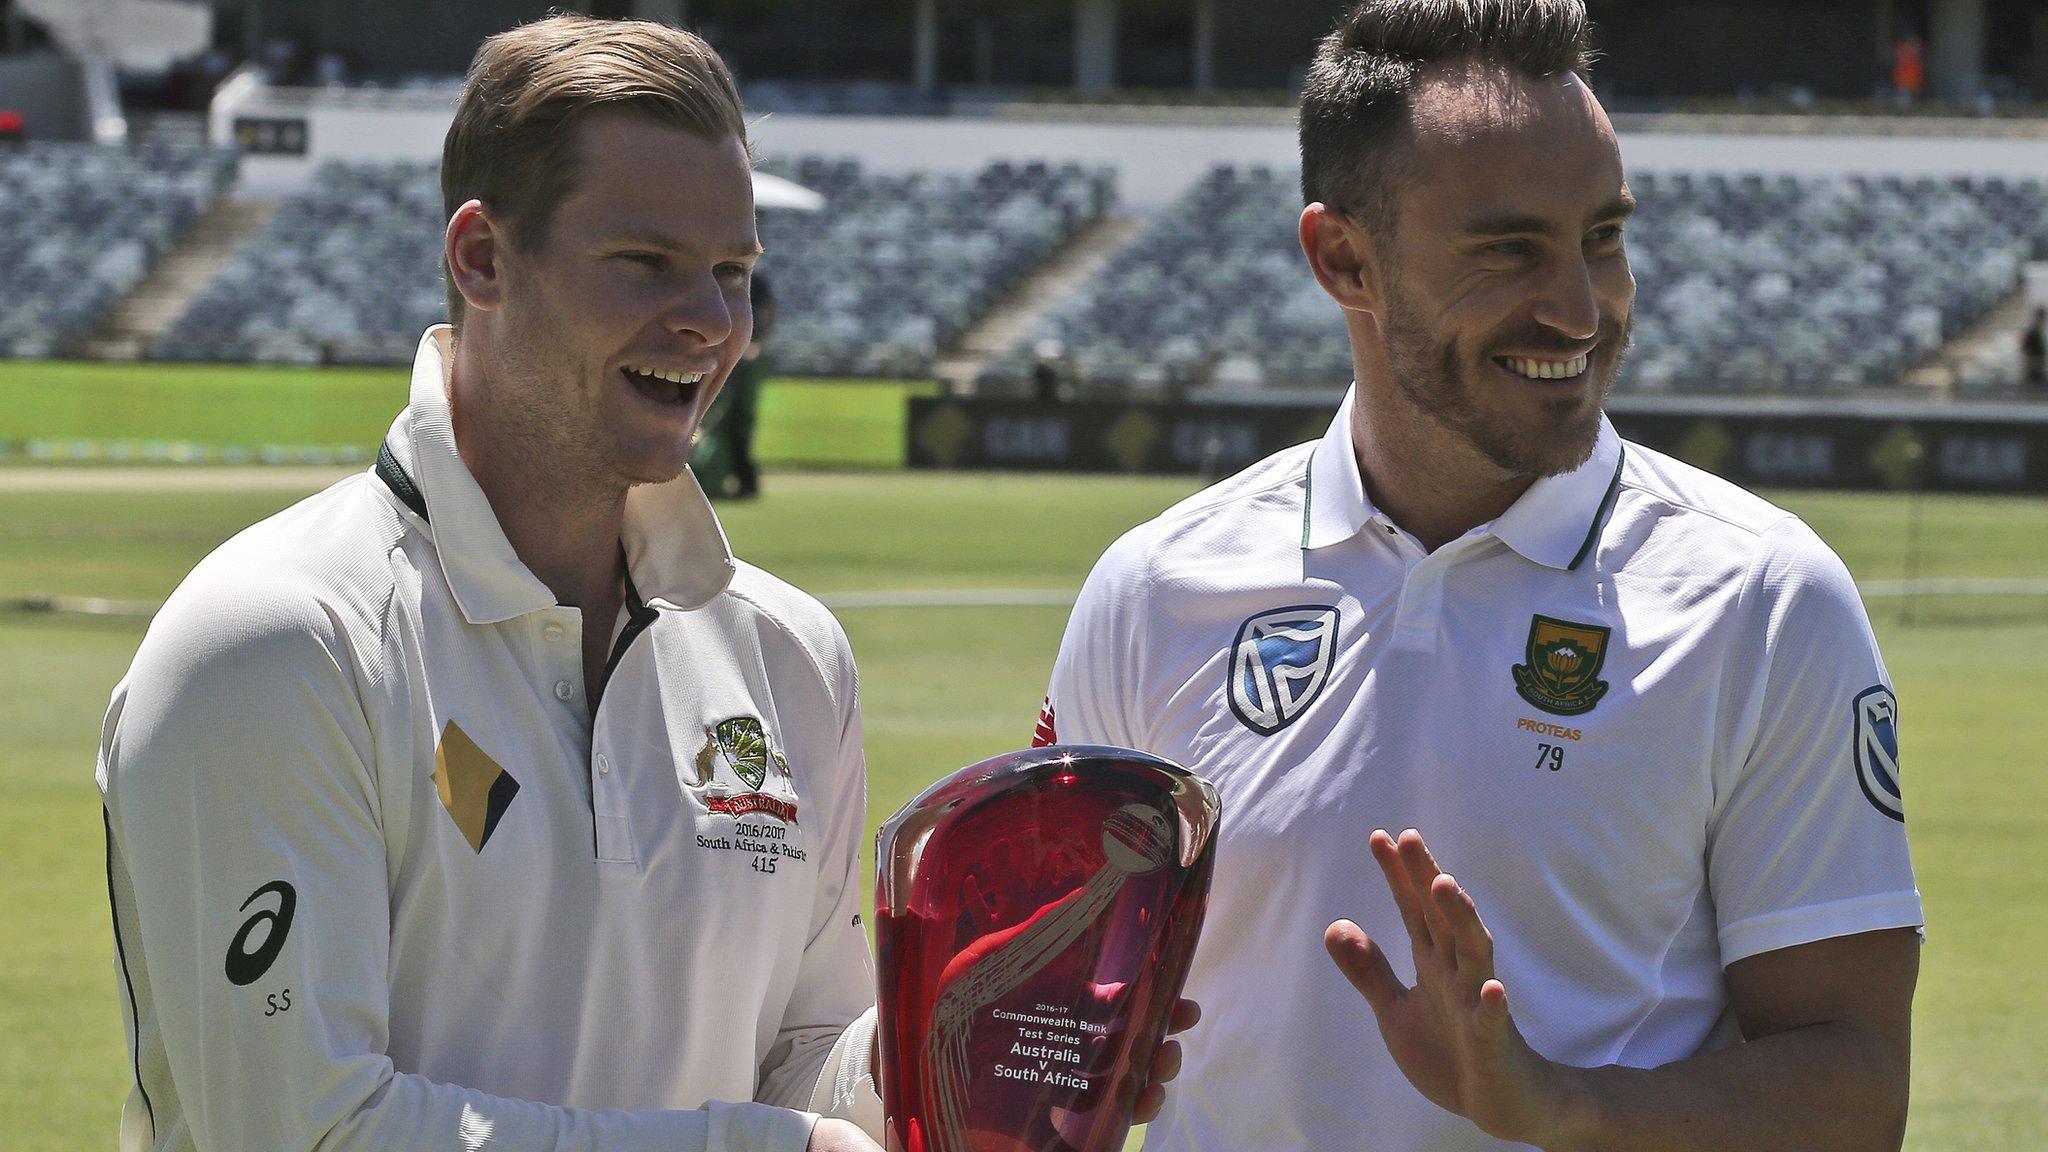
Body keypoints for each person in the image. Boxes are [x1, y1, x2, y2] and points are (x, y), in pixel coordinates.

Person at [1036, 3, 1922, 1150]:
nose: (1577, 306)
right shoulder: (1154, 587)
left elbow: (1853, 1093)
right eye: (1508, 249)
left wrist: (1559, 1106)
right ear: (1342, 258)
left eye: (1601, 236)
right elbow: (1054, 1024)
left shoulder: (1761, 597)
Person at [98, 18, 891, 1152]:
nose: (711, 324)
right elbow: (298, 1133)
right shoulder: (277, 643)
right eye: (645, 263)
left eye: (732, 274)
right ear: (480, 259)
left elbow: (804, 1069)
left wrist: (969, 1035)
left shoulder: (787, 653)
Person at [2022, 305, 2045, 391]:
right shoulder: (2033, 331)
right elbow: (2025, 346)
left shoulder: (2036, 330)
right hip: (2034, 365)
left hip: (2036, 365)